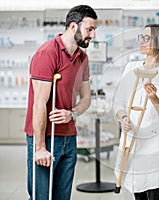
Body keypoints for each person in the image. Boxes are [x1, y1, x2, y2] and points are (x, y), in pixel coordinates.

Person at [24, 5, 97, 200]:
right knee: (41, 196)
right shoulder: (47, 53)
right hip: (46, 136)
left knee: (62, 197)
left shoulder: (83, 58)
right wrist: (39, 147)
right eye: (89, 29)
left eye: (94, 30)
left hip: (69, 137)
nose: (93, 35)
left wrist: (71, 113)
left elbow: (86, 98)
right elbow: (38, 104)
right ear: (74, 26)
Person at [114, 23, 159, 200]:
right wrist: (123, 117)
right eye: (141, 37)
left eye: (147, 38)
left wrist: (154, 98)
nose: (142, 41)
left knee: (154, 192)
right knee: (137, 191)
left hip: (154, 142)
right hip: (132, 138)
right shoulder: (131, 68)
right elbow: (118, 102)